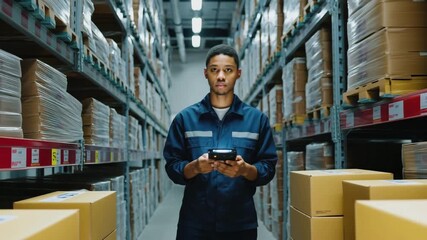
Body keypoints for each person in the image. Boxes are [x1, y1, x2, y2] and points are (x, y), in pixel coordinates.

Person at [163, 44, 278, 240]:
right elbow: (173, 166)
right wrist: (196, 167)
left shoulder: (257, 120)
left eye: (228, 70)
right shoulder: (185, 119)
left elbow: (268, 167)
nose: (221, 76)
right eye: (214, 70)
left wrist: (244, 170)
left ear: (238, 73)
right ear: (205, 73)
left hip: (240, 223)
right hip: (195, 223)